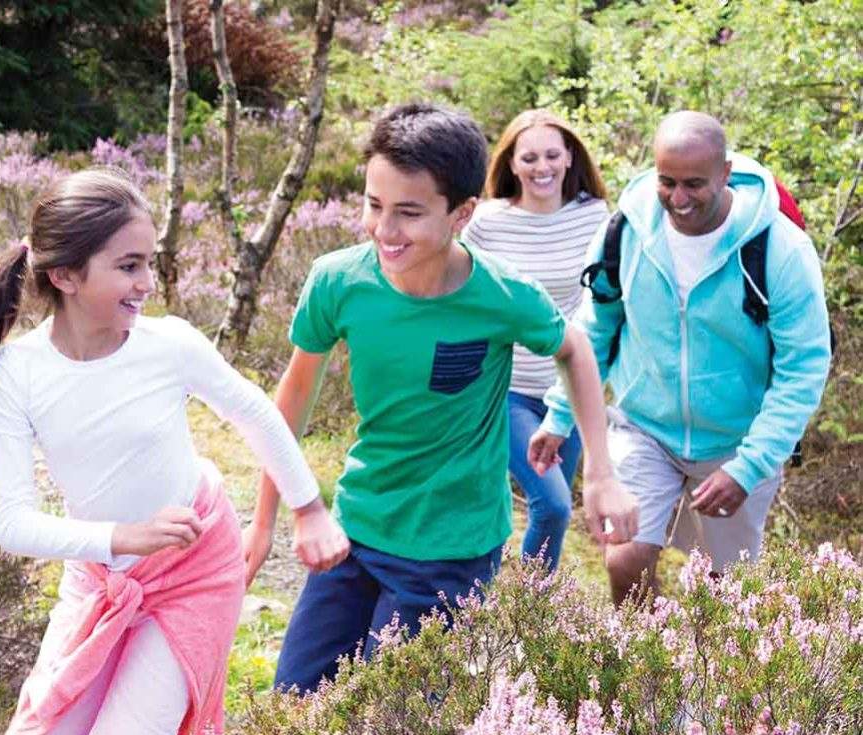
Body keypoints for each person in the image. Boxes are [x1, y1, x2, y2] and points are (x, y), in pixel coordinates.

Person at [0, 167, 349, 735]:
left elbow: (256, 415)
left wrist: (308, 509)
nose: (147, 283)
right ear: (66, 276)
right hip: (101, 574)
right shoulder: (20, 373)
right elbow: (13, 524)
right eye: (129, 265)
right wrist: (119, 539)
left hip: (196, 567)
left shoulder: (169, 345)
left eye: (151, 263)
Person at [243, 103, 639, 695]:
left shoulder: (500, 295)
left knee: (395, 727)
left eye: (408, 213)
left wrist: (601, 474)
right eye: (374, 205)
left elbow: (575, 350)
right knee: (295, 702)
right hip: (358, 529)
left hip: (452, 551)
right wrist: (266, 521)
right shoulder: (338, 281)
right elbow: (293, 400)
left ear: (462, 213)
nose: (384, 230)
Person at [537, 111, 831, 606]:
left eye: (694, 184)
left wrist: (749, 465)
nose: (678, 198)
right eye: (666, 181)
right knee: (624, 557)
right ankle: (644, 672)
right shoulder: (627, 232)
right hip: (643, 426)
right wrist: (559, 414)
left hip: (738, 440)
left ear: (725, 172)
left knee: (728, 591)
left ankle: (712, 677)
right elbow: (592, 330)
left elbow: (803, 368)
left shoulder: (779, 249)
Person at [462, 110, 610, 568]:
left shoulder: (595, 216)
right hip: (505, 391)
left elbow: (606, 305)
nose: (541, 167)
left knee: (553, 514)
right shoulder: (488, 222)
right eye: (529, 157)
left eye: (551, 155)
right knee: (554, 503)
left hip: (569, 391)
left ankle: (529, 623)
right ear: (511, 164)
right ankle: (490, 607)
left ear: (569, 158)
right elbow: (458, 288)